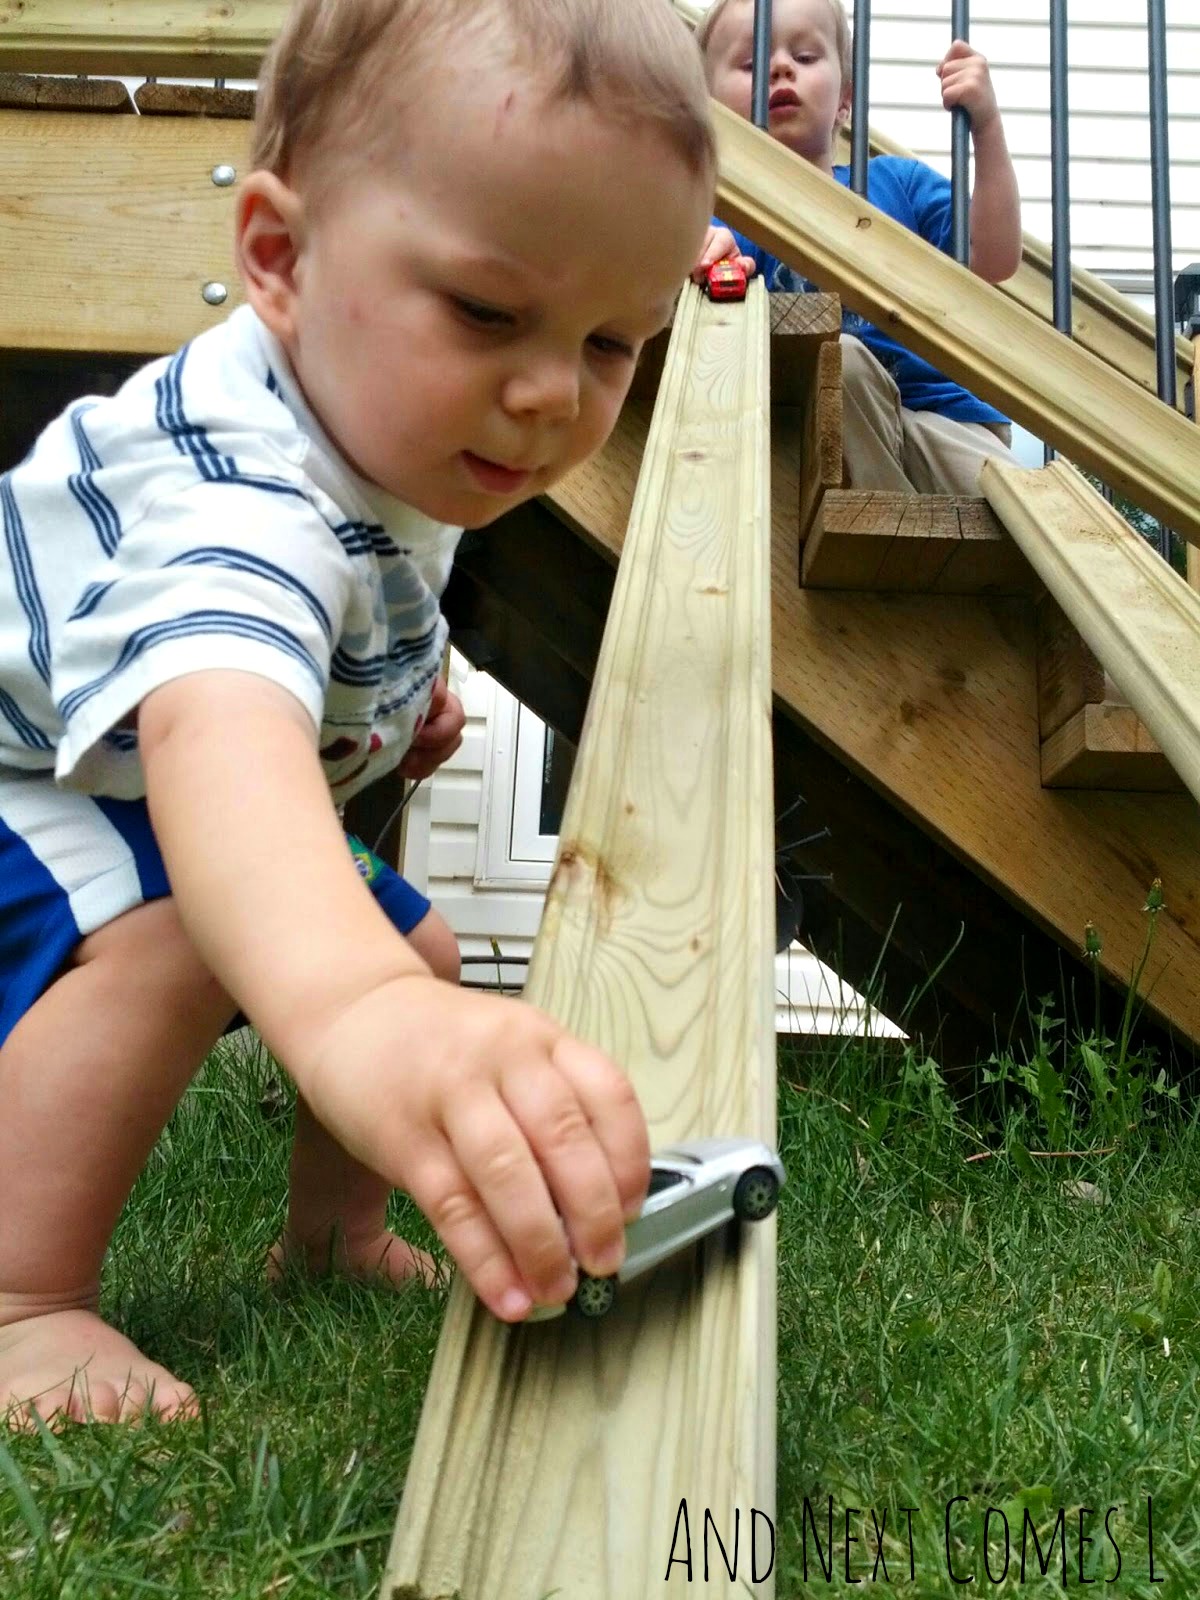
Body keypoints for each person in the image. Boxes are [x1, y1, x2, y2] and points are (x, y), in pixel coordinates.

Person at [0, 0, 715, 1427]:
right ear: (276, 256)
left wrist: (388, 712)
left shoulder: (379, 418)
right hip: (40, 783)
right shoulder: (239, 503)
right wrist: (355, 1011)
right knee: (187, 939)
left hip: (139, 766)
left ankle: (331, 1238)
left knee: (426, 942)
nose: (543, 395)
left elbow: (346, 605)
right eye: (490, 313)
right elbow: (217, 721)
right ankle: (24, 1302)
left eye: (611, 345)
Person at [696, 0, 1023, 496]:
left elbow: (994, 258)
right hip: (824, 428)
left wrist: (988, 126)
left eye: (805, 58)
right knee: (840, 361)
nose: (781, 67)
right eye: (751, 63)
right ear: (711, 111)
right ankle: (896, 536)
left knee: (1029, 514)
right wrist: (687, 256)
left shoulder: (898, 184)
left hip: (945, 416)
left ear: (845, 101)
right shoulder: (724, 222)